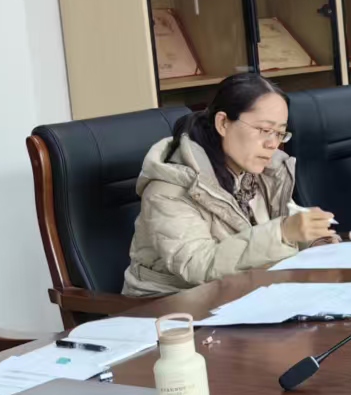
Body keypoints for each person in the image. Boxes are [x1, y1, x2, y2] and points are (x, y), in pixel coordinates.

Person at [124, 72, 335, 297]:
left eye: (280, 133)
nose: (272, 144)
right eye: (265, 130)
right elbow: (197, 265)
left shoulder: (260, 169)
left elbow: (282, 225)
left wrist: (313, 239)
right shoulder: (169, 187)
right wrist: (283, 233)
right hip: (170, 306)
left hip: (243, 293)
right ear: (223, 123)